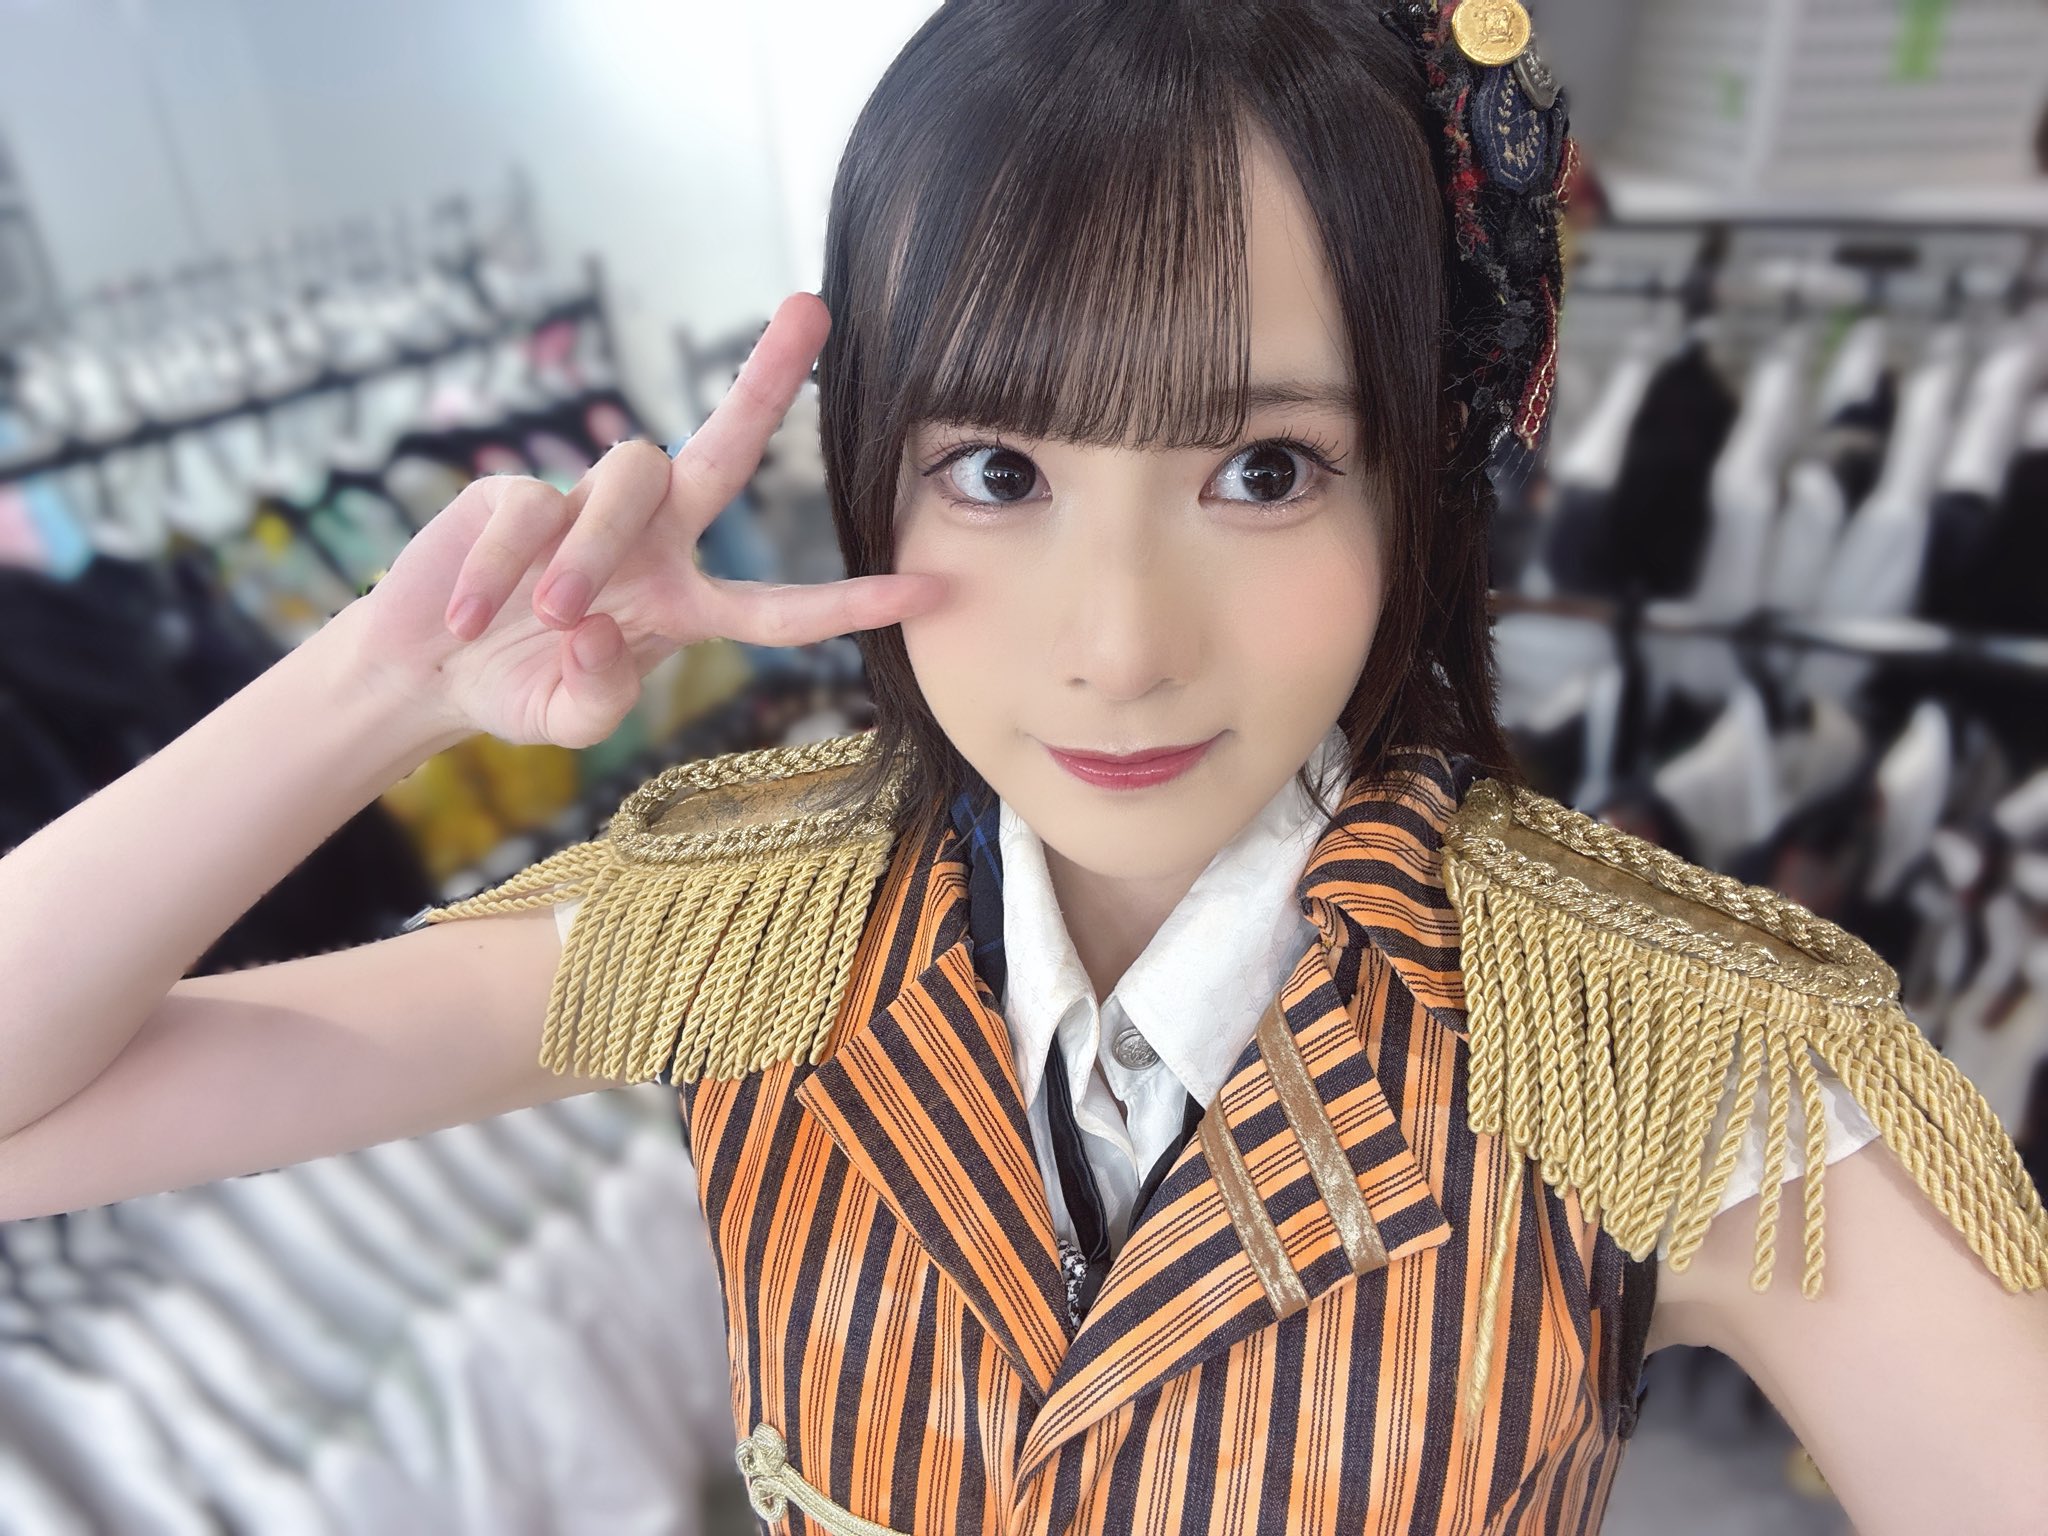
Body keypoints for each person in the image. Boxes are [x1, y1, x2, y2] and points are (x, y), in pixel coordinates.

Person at [2, 2, 2044, 1532]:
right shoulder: (756, 932)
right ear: (868, 467)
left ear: (1413, 485)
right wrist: (389, 689)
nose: (1118, 641)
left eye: (1263, 470)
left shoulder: (1652, 1056)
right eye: (997, 470)